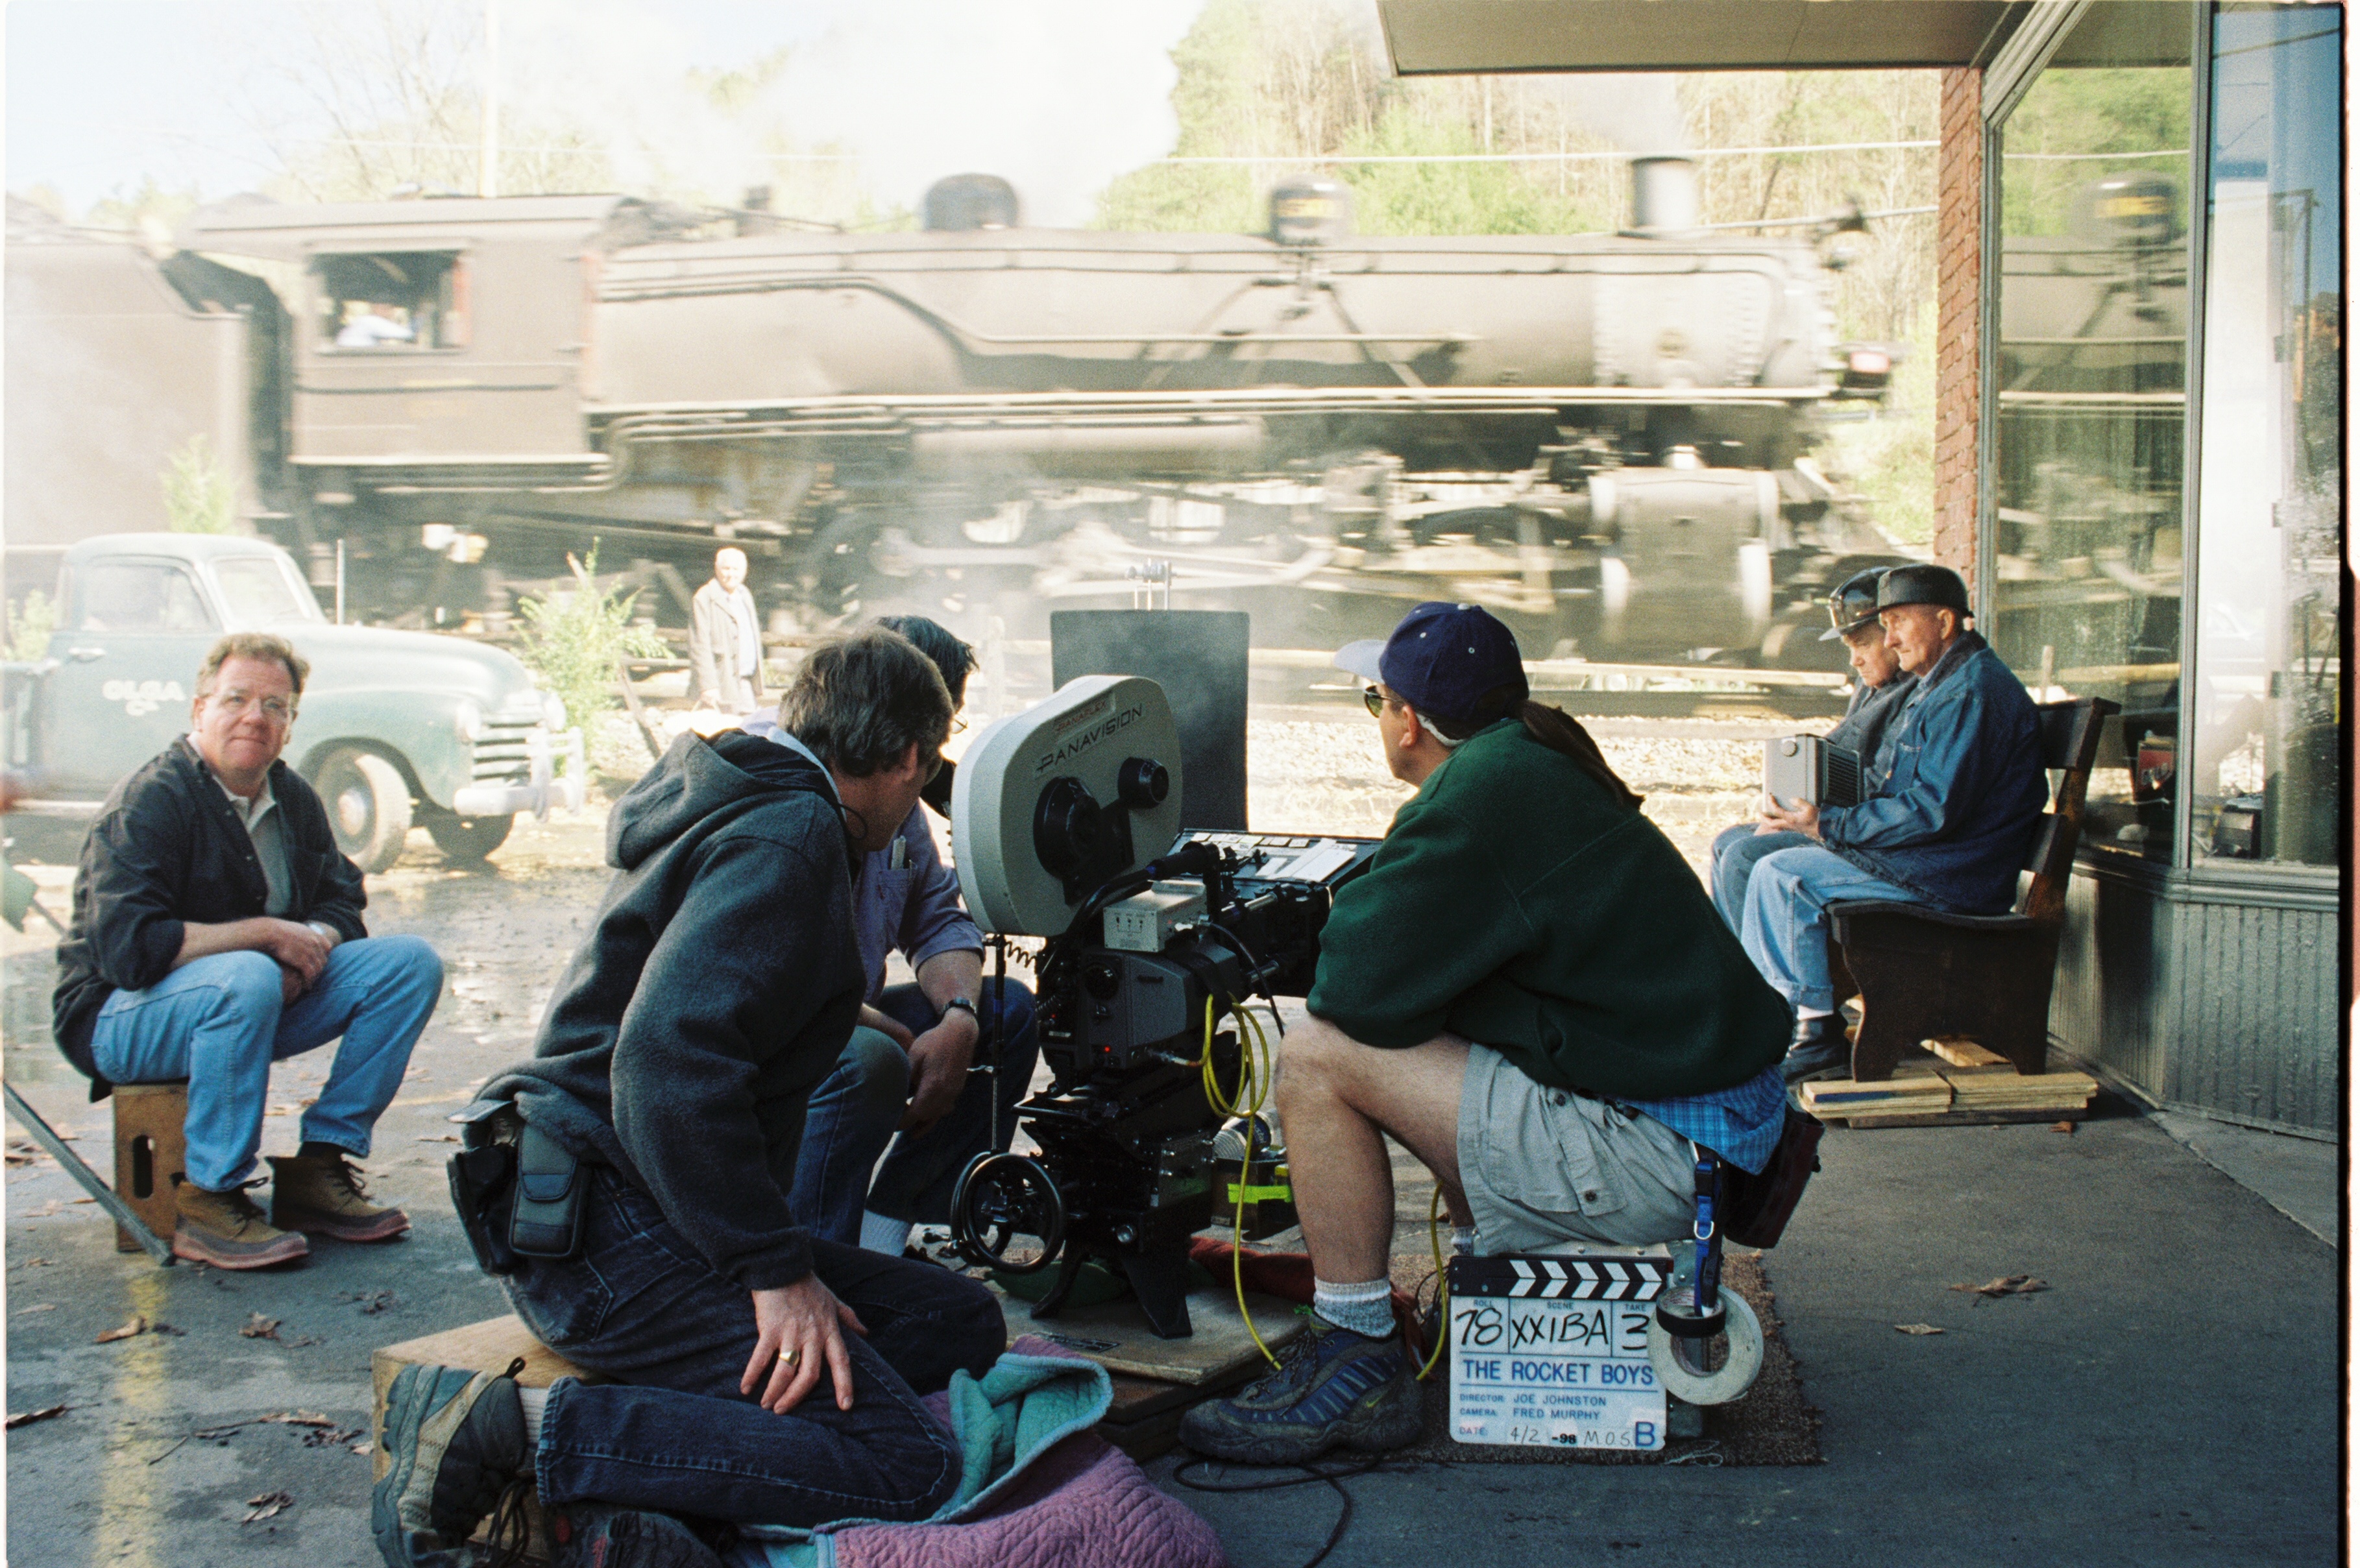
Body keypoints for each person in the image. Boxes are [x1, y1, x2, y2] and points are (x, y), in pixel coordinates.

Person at [372, 628, 1004, 1568]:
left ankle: (682, 1473)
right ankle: (522, 1429)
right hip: (593, 1231)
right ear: (908, 756)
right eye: (925, 773)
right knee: (907, 1465)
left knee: (960, 1322)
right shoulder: (789, 837)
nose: (922, 792)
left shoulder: (756, 796)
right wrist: (774, 1273)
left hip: (623, 1198)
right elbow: (663, 1064)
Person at [1179, 603, 1792, 1465]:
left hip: (1667, 1152)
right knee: (1445, 1046)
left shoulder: (1478, 796)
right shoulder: (1533, 757)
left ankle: (1356, 1353)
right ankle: (1483, 1297)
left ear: (1406, 720)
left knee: (1318, 1053)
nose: (1378, 720)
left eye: (1374, 701)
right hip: (1712, 1134)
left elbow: (1353, 990)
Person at [50, 633, 441, 1269]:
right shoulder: (152, 799)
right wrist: (264, 936)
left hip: (245, 997)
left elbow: (343, 900)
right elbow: (128, 953)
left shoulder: (292, 798)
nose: (256, 717)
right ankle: (210, 1196)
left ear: (290, 726)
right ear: (199, 709)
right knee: (247, 974)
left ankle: (318, 1166)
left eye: (276, 706)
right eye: (237, 698)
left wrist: (309, 945)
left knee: (408, 965)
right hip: (117, 1017)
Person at [751, 616, 1039, 1255]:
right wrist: (881, 1032)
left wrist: (959, 1017)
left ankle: (887, 1229)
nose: (927, 774)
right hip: (774, 1033)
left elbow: (932, 913)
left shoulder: (892, 809)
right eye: (931, 747)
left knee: (1008, 1011)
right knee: (864, 1059)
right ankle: (814, 1262)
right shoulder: (773, 798)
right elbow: (770, 983)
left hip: (844, 1014)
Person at [1739, 564, 2049, 1083]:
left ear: (1945, 622)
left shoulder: (1968, 692)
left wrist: (1828, 826)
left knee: (1782, 876)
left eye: (1898, 622)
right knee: (1759, 853)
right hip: (1932, 859)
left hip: (1951, 874)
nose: (1889, 640)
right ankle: (1779, 1014)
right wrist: (1818, 816)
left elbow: (1931, 808)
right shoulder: (1944, 682)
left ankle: (1814, 1035)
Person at [1709, 566, 1917, 928]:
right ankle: (1736, 967)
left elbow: (1882, 783)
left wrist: (1809, 820)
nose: (1855, 660)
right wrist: (1785, 811)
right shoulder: (1874, 686)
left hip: (1865, 834)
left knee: (1745, 857)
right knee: (1727, 842)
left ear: (1894, 632)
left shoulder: (1917, 692)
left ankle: (1757, 978)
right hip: (1841, 819)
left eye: (1863, 644)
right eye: (1850, 647)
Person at [688, 547, 765, 714]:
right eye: (726, 568)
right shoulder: (705, 597)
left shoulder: (745, 595)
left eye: (736, 569)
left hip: (745, 682)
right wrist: (708, 686)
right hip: (720, 682)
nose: (731, 574)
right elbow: (700, 645)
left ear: (745, 571)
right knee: (723, 735)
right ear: (717, 569)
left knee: (748, 732)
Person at [335, 302, 415, 348]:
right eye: (385, 309)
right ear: (375, 309)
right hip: (355, 355)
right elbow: (406, 334)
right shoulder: (371, 320)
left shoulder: (363, 320)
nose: (390, 312)